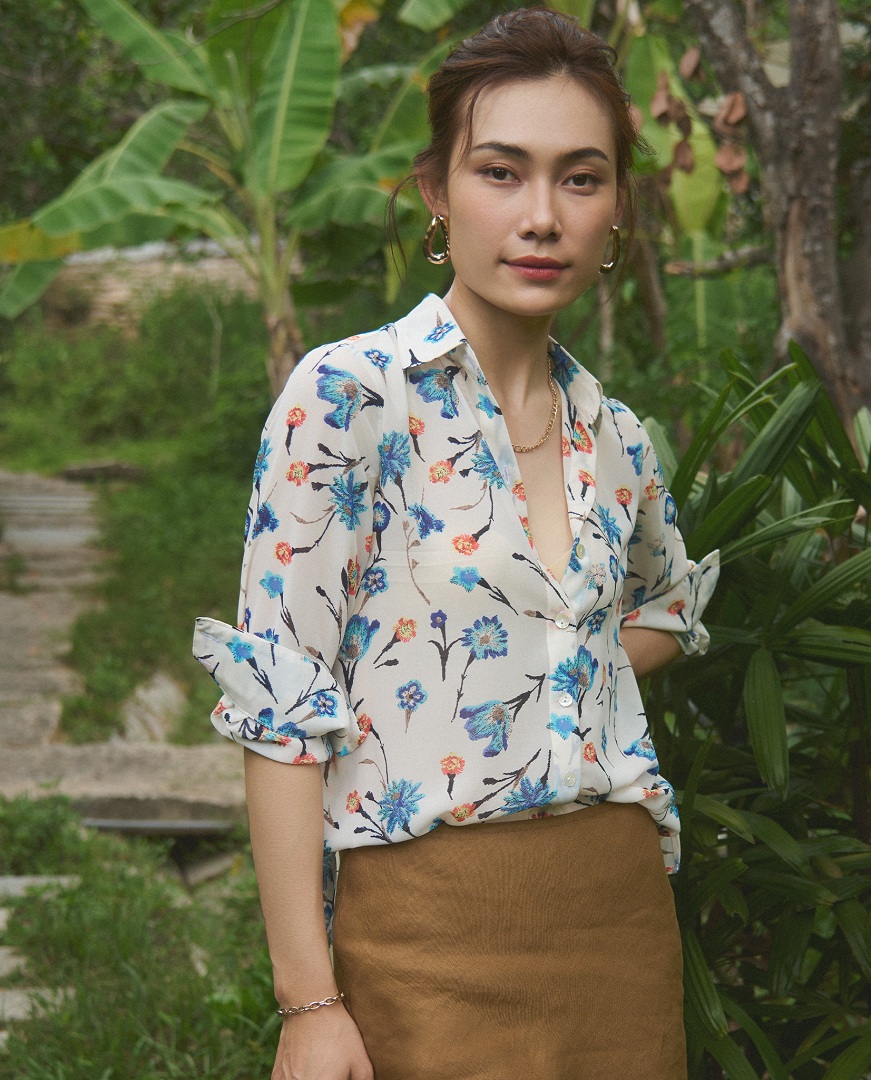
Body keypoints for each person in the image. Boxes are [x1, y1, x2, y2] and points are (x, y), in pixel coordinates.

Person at [194, 9, 719, 1079]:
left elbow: (667, 609)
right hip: (425, 931)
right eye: (501, 172)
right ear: (437, 189)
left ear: (618, 207)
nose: (541, 216)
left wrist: (538, 671)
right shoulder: (349, 399)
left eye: (581, 178)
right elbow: (281, 703)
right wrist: (308, 1002)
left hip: (618, 920)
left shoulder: (615, 435)